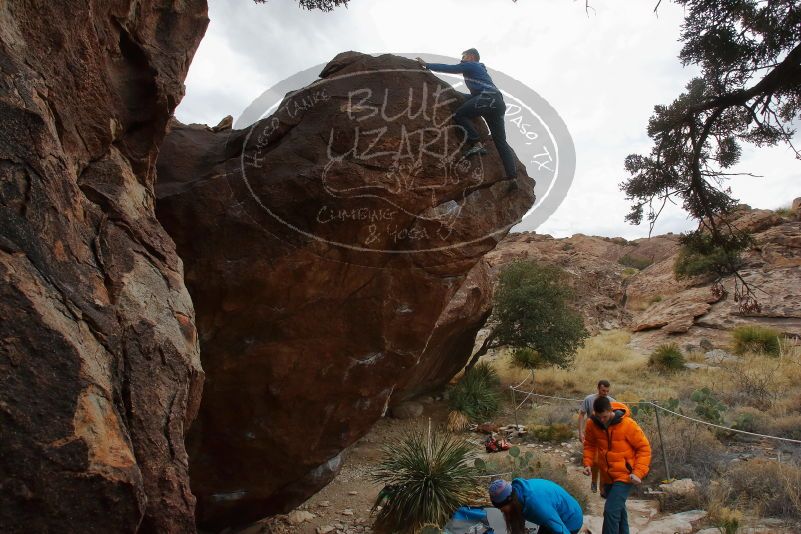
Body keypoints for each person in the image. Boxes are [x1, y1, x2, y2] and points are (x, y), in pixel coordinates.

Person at [415, 48, 517, 179]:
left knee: (460, 114)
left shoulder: (471, 65)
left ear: (472, 57)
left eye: (464, 56)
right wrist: (454, 93)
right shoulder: (480, 71)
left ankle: (476, 143)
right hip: (497, 103)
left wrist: (427, 65)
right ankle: (513, 177)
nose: (462, 59)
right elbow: (473, 96)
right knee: (501, 142)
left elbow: (450, 68)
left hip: (487, 98)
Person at [582, 397, 651, 534]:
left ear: (610, 410)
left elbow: (644, 448)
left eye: (605, 416)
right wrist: (588, 463)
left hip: (625, 475)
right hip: (607, 476)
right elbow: (589, 444)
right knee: (618, 510)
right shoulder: (592, 424)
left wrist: (638, 473)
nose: (602, 420)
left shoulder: (628, 424)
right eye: (599, 416)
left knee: (610, 511)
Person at [489, 478, 583, 534]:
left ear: (510, 501)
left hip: (570, 520)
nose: (501, 510)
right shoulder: (518, 492)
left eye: (501, 508)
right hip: (553, 514)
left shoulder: (538, 508)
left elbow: (562, 531)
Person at [578, 379, 615, 493]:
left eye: (607, 391)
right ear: (598, 388)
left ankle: (602, 487)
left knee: (603, 462)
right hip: (592, 434)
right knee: (594, 461)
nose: (605, 393)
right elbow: (582, 415)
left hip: (605, 436)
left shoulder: (611, 401)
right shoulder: (589, 399)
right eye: (603, 390)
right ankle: (594, 481)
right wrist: (580, 432)